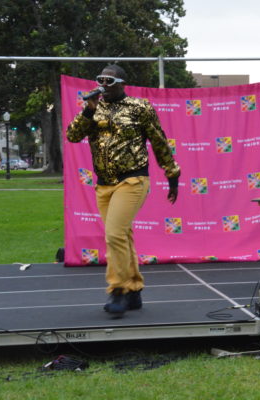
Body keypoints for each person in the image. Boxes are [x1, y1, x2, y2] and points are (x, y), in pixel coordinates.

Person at [67, 64, 181, 318]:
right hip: (104, 183)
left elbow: (159, 141)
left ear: (121, 83)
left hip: (132, 180)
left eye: (108, 81)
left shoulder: (140, 108)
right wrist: (88, 110)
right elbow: (72, 136)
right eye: (100, 80)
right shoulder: (95, 108)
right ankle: (134, 290)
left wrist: (172, 174)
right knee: (123, 236)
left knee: (115, 234)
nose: (103, 86)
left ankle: (117, 290)